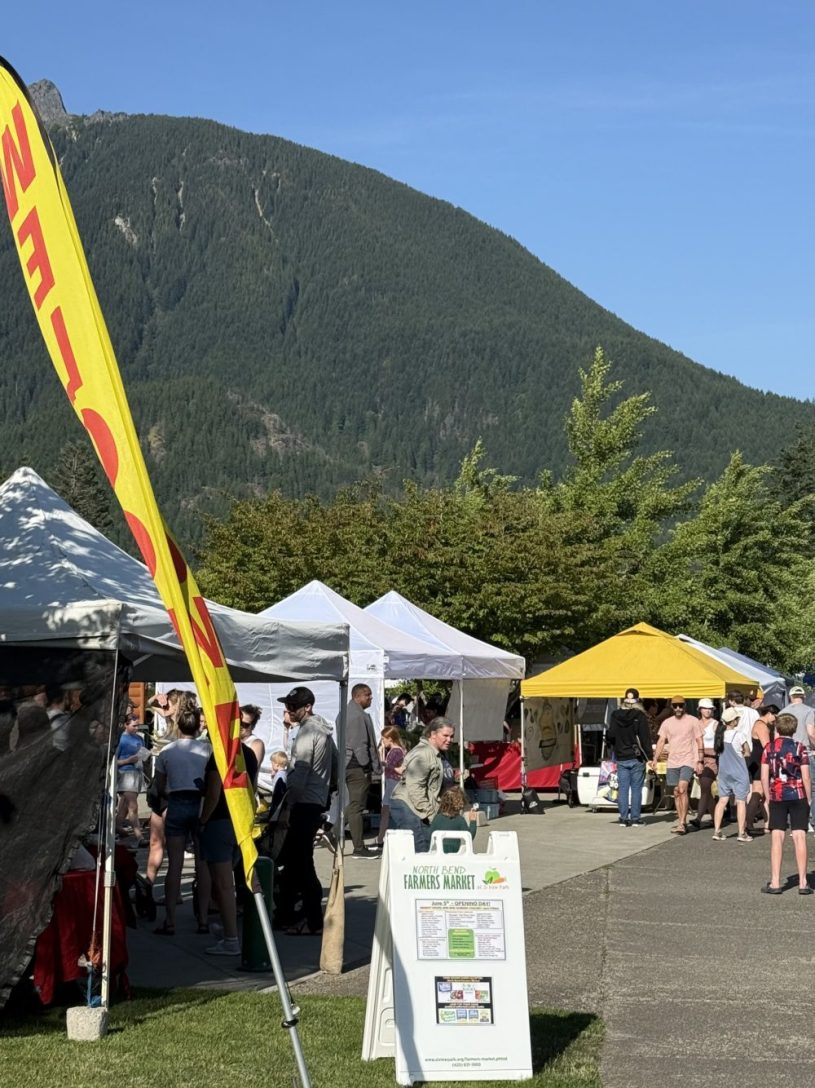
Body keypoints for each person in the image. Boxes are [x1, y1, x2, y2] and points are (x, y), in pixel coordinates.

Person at [274, 686, 337, 936]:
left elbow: (299, 773)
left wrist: (288, 804)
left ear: (307, 707)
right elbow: (335, 762)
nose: (288, 711)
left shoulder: (306, 733)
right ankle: (286, 914)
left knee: (301, 862)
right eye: (287, 706)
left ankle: (312, 919)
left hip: (304, 801)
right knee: (293, 860)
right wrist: (327, 792)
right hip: (316, 799)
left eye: (293, 707)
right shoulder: (324, 730)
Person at [152, 707, 211, 935]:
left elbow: (159, 784)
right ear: (198, 725)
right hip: (200, 803)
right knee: (202, 863)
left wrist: (167, 797)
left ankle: (170, 919)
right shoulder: (207, 749)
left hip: (176, 802)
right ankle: (204, 919)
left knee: (175, 863)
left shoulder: (167, 751)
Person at [199, 736, 259, 955]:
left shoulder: (220, 755)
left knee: (224, 885)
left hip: (220, 822)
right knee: (229, 882)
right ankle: (228, 930)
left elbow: (214, 794)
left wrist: (203, 820)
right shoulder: (248, 753)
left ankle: (231, 938)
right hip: (240, 821)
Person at [760, 712, 812, 894]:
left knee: (777, 837)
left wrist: (767, 797)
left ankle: (775, 882)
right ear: (795, 728)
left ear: (777, 728)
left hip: (777, 795)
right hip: (798, 794)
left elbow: (764, 776)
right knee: (799, 837)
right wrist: (809, 797)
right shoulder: (800, 748)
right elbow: (806, 776)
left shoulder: (769, 748)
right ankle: (803, 882)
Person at [390, 717, 455, 852]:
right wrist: (430, 814)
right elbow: (415, 788)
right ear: (432, 734)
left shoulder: (437, 752)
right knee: (421, 852)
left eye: (452, 736)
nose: (450, 740)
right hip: (410, 807)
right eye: (446, 736)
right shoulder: (424, 754)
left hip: (418, 807)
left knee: (426, 848)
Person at [650, 697, 702, 835]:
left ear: (684, 706)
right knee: (676, 792)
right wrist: (655, 758)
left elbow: (699, 740)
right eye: (675, 706)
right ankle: (681, 820)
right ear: (672, 707)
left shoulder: (693, 721)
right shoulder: (667, 722)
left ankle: (682, 822)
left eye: (680, 706)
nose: (678, 708)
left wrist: (699, 760)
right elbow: (661, 741)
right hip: (672, 761)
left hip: (688, 759)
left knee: (682, 789)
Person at [343, 683, 382, 859]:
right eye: (367, 695)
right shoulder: (358, 715)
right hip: (357, 767)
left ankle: (339, 835)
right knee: (356, 807)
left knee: (352, 805)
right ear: (357, 696)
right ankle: (359, 848)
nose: (370, 698)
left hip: (348, 765)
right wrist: (370, 767)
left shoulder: (344, 712)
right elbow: (362, 745)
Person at [606, 688, 652, 827]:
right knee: (636, 789)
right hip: (637, 757)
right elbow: (645, 739)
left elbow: (611, 735)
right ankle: (635, 818)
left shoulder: (615, 715)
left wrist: (615, 747)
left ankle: (623, 817)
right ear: (638, 700)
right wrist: (649, 757)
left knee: (623, 789)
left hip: (621, 756)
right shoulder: (640, 716)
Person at [711, 707, 753, 843]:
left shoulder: (719, 736)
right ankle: (741, 832)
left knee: (722, 800)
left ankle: (717, 830)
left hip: (724, 773)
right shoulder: (739, 735)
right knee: (741, 801)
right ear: (734, 721)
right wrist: (743, 753)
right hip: (739, 772)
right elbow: (747, 752)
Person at [779, 686, 815, 830]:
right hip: (805, 752)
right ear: (803, 696)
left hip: (785, 754)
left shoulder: (782, 712)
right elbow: (811, 733)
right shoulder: (809, 711)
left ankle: (791, 820)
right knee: (810, 787)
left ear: (790, 697)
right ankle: (810, 819)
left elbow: (777, 736)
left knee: (789, 785)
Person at [745, 704, 778, 835]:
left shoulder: (763, 725)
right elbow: (767, 746)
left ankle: (768, 823)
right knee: (758, 791)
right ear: (769, 713)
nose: (775, 719)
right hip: (759, 761)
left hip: (759, 760)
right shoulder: (762, 725)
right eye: (775, 716)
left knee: (764, 793)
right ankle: (748, 823)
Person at [116, 705, 148, 841]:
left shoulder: (140, 738)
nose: (136, 728)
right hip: (125, 774)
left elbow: (143, 753)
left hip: (137, 773)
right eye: (133, 726)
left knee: (124, 805)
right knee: (133, 805)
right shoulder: (120, 739)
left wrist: (145, 756)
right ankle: (139, 835)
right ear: (126, 725)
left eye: (137, 726)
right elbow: (114, 760)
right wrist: (128, 760)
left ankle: (116, 826)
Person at [690, 698, 719, 830]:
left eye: (710, 709)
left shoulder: (716, 724)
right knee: (706, 789)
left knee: (705, 786)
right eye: (705, 708)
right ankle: (715, 817)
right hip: (698, 758)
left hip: (712, 758)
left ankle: (698, 817)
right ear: (700, 710)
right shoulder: (695, 724)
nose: (708, 711)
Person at [377, 726, 406, 846]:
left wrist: (381, 756)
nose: (382, 741)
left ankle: (381, 839)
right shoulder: (401, 750)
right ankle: (381, 838)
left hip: (393, 783)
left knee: (387, 812)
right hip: (393, 783)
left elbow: (395, 768)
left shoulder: (395, 751)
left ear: (389, 738)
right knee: (387, 812)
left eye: (384, 738)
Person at [428, 785, 477, 853]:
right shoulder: (460, 820)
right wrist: (473, 821)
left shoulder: (437, 818)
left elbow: (430, 837)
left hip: (438, 853)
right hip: (455, 854)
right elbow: (469, 837)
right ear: (460, 805)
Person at [239, 704, 266, 769]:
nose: (241, 726)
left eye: (245, 724)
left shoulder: (256, 743)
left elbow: (251, 769)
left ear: (253, 727)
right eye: (239, 722)